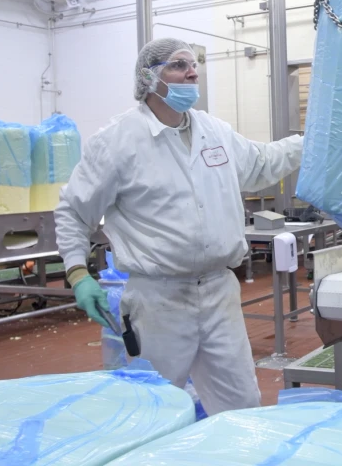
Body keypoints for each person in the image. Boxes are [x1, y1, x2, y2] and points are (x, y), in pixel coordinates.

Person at [55, 38, 302, 415]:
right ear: (148, 77)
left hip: (220, 290)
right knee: (154, 408)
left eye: (193, 64)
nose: (192, 71)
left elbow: (262, 163)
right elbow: (73, 211)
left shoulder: (213, 130)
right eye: (178, 64)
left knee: (242, 404)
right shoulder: (119, 140)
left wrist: (311, 142)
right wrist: (77, 273)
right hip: (159, 299)